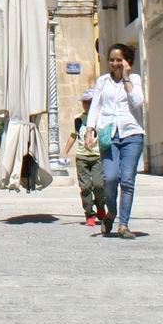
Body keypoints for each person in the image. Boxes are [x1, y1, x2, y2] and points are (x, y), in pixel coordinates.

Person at [85, 44, 145, 238]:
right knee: (109, 179)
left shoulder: (135, 79)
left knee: (127, 180)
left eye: (119, 59)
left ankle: (123, 225)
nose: (115, 63)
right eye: (112, 59)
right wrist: (89, 130)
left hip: (132, 134)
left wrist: (126, 77)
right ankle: (111, 211)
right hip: (108, 135)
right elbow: (95, 107)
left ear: (127, 61)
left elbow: (137, 102)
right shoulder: (103, 81)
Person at [61, 91, 105, 226]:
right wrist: (65, 152)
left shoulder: (100, 118)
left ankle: (100, 206)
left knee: (98, 185)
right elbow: (73, 135)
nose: (87, 104)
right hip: (82, 157)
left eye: (90, 102)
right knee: (85, 187)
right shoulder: (78, 119)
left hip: (97, 156)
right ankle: (89, 214)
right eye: (85, 102)